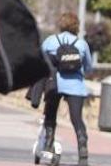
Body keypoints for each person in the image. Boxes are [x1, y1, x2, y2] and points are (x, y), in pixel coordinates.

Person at [40, 12, 93, 166]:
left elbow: (40, 60)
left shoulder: (50, 41)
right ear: (76, 26)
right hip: (76, 86)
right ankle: (83, 152)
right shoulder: (81, 44)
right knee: (77, 119)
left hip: (54, 84)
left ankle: (48, 146)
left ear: (61, 24)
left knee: (50, 115)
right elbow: (89, 68)